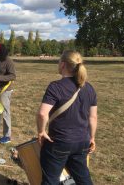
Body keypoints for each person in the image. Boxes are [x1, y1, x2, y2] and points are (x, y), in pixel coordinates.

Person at [36, 50, 97, 185]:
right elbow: (93, 117)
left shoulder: (55, 87)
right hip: (82, 142)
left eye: (58, 62)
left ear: (63, 65)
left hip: (58, 143)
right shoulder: (90, 88)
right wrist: (92, 137)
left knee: (50, 180)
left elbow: (42, 113)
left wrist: (41, 132)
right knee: (83, 179)